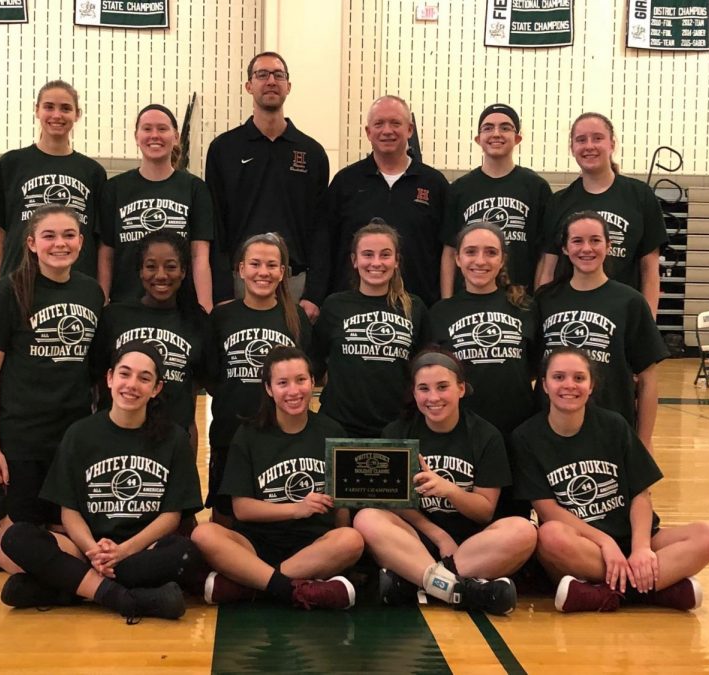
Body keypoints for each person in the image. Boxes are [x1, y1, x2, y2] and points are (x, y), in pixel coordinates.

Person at [0, 205, 104, 575]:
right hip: (21, 442)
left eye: (68, 235)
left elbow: (95, 375)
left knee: (64, 547)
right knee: (23, 560)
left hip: (69, 444)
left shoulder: (92, 293)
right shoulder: (9, 292)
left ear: (80, 242)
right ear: (31, 243)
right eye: (49, 236)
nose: (59, 243)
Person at [0, 340, 205, 620]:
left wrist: (123, 551)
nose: (132, 384)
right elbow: (68, 510)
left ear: (157, 388)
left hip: (142, 551)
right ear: (109, 378)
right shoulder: (80, 434)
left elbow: (171, 517)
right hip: (86, 549)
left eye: (144, 378)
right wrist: (93, 551)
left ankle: (68, 589)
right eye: (124, 373)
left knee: (186, 553)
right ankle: (125, 598)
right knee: (15, 537)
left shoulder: (174, 439)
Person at [512, 347, 709, 613]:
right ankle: (655, 590)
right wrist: (605, 542)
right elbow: (548, 511)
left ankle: (604, 593)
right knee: (548, 536)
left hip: (634, 535)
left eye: (579, 378)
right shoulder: (526, 437)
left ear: (591, 386)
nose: (569, 385)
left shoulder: (615, 425)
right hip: (584, 544)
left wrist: (640, 548)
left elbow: (641, 494)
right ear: (544, 384)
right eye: (558, 377)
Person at [352, 349, 536, 616]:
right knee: (367, 518)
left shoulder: (486, 436)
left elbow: (484, 511)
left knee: (524, 531)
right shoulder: (397, 432)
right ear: (414, 394)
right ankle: (460, 590)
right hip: (415, 542)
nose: (433, 397)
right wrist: (438, 536)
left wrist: (447, 489)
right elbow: (395, 504)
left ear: (461, 389)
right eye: (424, 389)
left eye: (442, 387)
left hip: (470, 547)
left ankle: (414, 583)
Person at [192, 346, 364, 609]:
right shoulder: (248, 435)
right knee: (203, 534)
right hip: (255, 545)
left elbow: (341, 506)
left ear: (313, 382)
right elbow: (242, 509)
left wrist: (343, 544)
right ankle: (295, 588)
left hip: (313, 545)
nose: (294, 391)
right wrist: (297, 509)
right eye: (283, 383)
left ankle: (253, 585)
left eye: (301, 380)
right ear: (269, 389)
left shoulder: (332, 430)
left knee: (351, 540)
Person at [205, 51, 329, 319]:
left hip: (295, 283)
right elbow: (215, 224)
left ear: (288, 86)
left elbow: (322, 229)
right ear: (249, 85)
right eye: (262, 74)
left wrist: (313, 294)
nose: (271, 80)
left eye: (278, 75)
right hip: (240, 282)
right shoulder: (223, 149)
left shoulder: (312, 153)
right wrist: (223, 291)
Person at [535, 211, 668, 454]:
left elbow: (648, 380)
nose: (586, 248)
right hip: (551, 431)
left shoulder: (630, 302)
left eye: (595, 240)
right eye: (577, 241)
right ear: (564, 248)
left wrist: (644, 442)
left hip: (611, 431)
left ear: (609, 246)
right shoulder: (545, 300)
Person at [206, 233, 311, 523]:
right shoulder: (222, 316)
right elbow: (211, 376)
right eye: (254, 264)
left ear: (282, 272)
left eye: (271, 265)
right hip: (230, 430)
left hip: (279, 435)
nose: (262, 272)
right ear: (240, 269)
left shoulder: (296, 318)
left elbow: (307, 373)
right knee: (225, 512)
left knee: (273, 507)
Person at [536, 112, 667, 318]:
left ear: (612, 144)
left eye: (597, 138)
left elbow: (650, 270)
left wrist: (647, 322)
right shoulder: (558, 202)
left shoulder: (640, 196)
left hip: (622, 317)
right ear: (572, 148)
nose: (589, 146)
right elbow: (548, 270)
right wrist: (542, 319)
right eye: (581, 140)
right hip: (569, 316)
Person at [91, 230, 212, 448]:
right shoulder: (113, 318)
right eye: (151, 266)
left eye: (171, 266)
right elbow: (98, 378)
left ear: (184, 271)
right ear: (139, 271)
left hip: (171, 442)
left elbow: (194, 390)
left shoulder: (197, 322)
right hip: (115, 440)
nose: (161, 275)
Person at [324, 95, 449, 308]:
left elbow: (447, 249)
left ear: (410, 129)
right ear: (368, 132)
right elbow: (325, 243)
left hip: (418, 307)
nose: (387, 130)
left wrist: (445, 304)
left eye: (395, 123)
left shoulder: (434, 184)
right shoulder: (345, 182)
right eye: (379, 123)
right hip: (353, 307)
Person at [0, 80, 106, 284]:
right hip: (19, 284)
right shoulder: (11, 164)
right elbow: (1, 237)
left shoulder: (93, 173)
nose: (57, 115)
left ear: (77, 114)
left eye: (65, 108)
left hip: (75, 287)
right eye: (49, 107)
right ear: (37, 110)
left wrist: (100, 294)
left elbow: (99, 242)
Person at [311, 219, 429, 437]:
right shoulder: (334, 305)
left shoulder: (415, 308)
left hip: (398, 428)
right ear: (354, 260)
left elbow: (424, 371)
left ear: (396, 261)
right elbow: (314, 363)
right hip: (340, 428)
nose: (376, 262)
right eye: (367, 254)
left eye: (385, 255)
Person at [97, 104, 213, 311]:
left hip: (179, 309)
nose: (154, 135)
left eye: (162, 129)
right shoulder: (114, 188)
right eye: (147, 129)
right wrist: (103, 302)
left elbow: (199, 256)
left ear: (175, 136)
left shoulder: (195, 188)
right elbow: (106, 253)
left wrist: (205, 308)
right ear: (136, 136)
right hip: (125, 305)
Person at [430, 222, 538, 438]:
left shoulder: (525, 307)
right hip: (463, 431)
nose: (480, 261)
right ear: (458, 259)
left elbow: (535, 367)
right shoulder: (439, 312)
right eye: (471, 252)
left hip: (518, 429)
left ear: (503, 260)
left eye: (491, 252)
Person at [441, 103, 551, 297]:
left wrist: (539, 301)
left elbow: (544, 254)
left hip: (520, 298)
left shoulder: (536, 187)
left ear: (517, 138)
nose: (496, 133)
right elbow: (450, 252)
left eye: (505, 127)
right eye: (488, 128)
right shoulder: (460, 189)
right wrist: (447, 302)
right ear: (478, 139)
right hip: (469, 296)